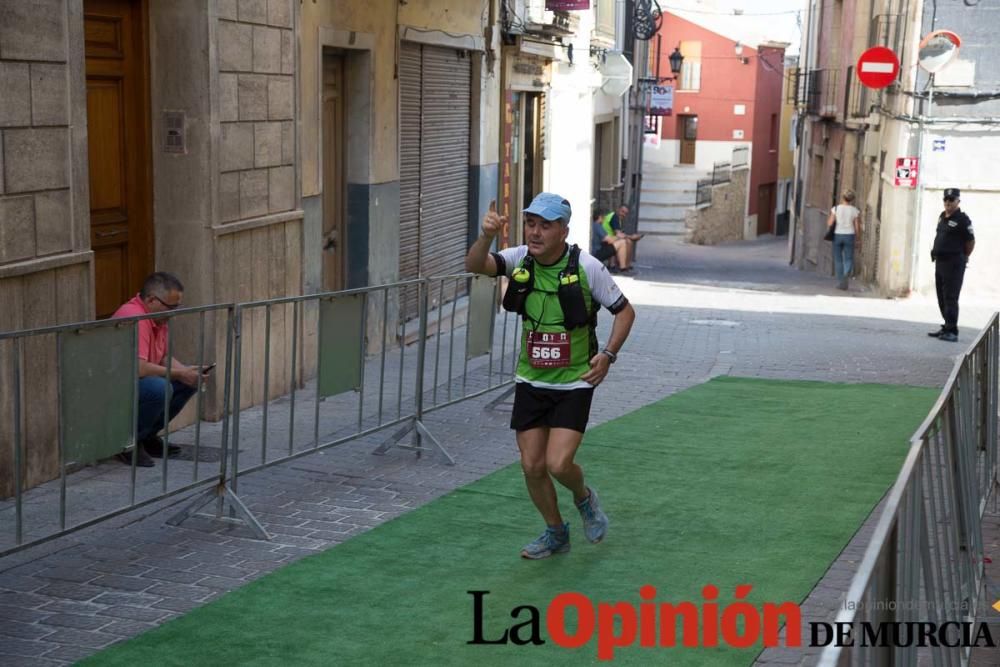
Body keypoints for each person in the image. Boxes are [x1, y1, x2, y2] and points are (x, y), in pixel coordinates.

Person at [465, 193, 636, 559]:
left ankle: (584, 498)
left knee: (558, 464)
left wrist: (607, 355)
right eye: (531, 224)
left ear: (563, 230)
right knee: (531, 465)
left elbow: (625, 312)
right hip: (531, 380)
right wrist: (485, 237)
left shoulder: (587, 266)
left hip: (575, 382)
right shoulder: (518, 258)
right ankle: (556, 531)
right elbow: (476, 265)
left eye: (546, 226)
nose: (536, 232)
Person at [111, 272, 209, 466]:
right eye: (171, 307)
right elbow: (139, 368)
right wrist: (181, 373)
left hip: (134, 382)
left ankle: (147, 436)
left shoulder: (157, 316)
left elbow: (163, 357)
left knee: (187, 382)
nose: (173, 313)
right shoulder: (135, 318)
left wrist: (187, 372)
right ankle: (127, 443)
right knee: (160, 388)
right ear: (151, 299)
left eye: (177, 307)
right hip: (113, 386)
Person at [928, 188, 975, 343]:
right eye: (946, 200)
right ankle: (946, 325)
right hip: (940, 262)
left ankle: (952, 330)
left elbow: (970, 242)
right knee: (941, 296)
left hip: (954, 263)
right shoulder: (942, 217)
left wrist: (963, 257)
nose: (948, 203)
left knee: (951, 297)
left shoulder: (963, 220)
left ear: (958, 202)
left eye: (951, 200)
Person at [825, 190, 860, 290]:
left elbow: (830, 223)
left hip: (837, 235)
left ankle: (841, 281)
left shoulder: (835, 209)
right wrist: (858, 239)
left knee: (838, 259)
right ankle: (846, 273)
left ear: (842, 197)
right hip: (850, 235)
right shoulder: (855, 210)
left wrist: (833, 220)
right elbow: (857, 227)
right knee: (848, 258)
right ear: (852, 199)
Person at [591, 208, 633, 272]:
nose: (604, 219)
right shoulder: (597, 226)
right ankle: (623, 268)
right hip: (596, 254)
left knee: (614, 244)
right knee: (622, 242)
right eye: (603, 217)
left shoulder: (593, 225)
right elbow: (609, 240)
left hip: (595, 250)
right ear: (600, 217)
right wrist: (618, 237)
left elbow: (604, 240)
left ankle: (612, 265)